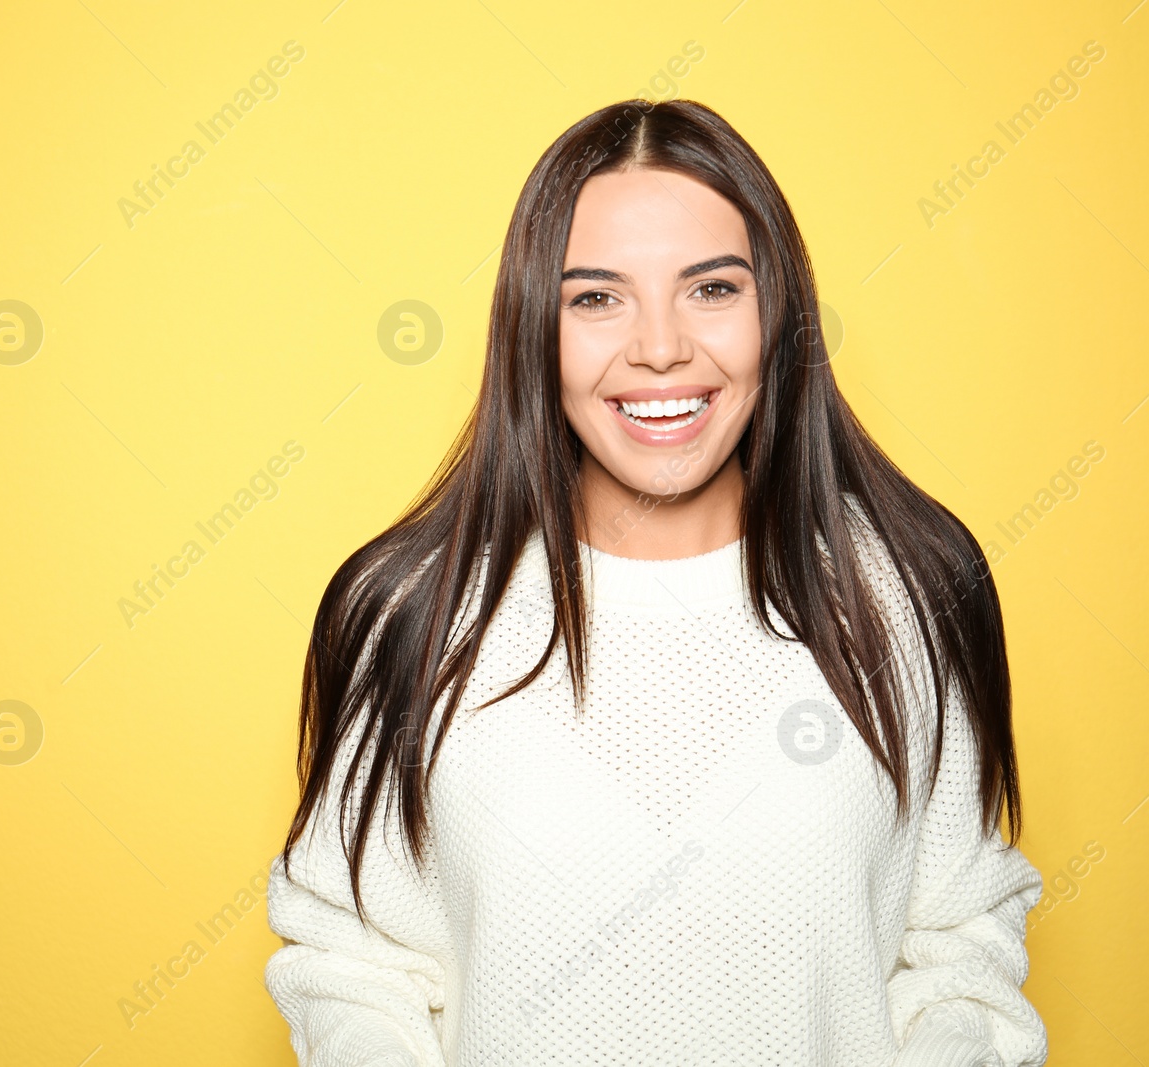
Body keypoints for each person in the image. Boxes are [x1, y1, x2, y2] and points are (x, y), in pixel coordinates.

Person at [263, 98, 1048, 1067]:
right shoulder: (413, 609)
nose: (661, 346)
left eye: (711, 289)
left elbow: (959, 940)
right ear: (533, 331)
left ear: (779, 314)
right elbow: (353, 959)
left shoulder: (906, 591)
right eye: (596, 297)